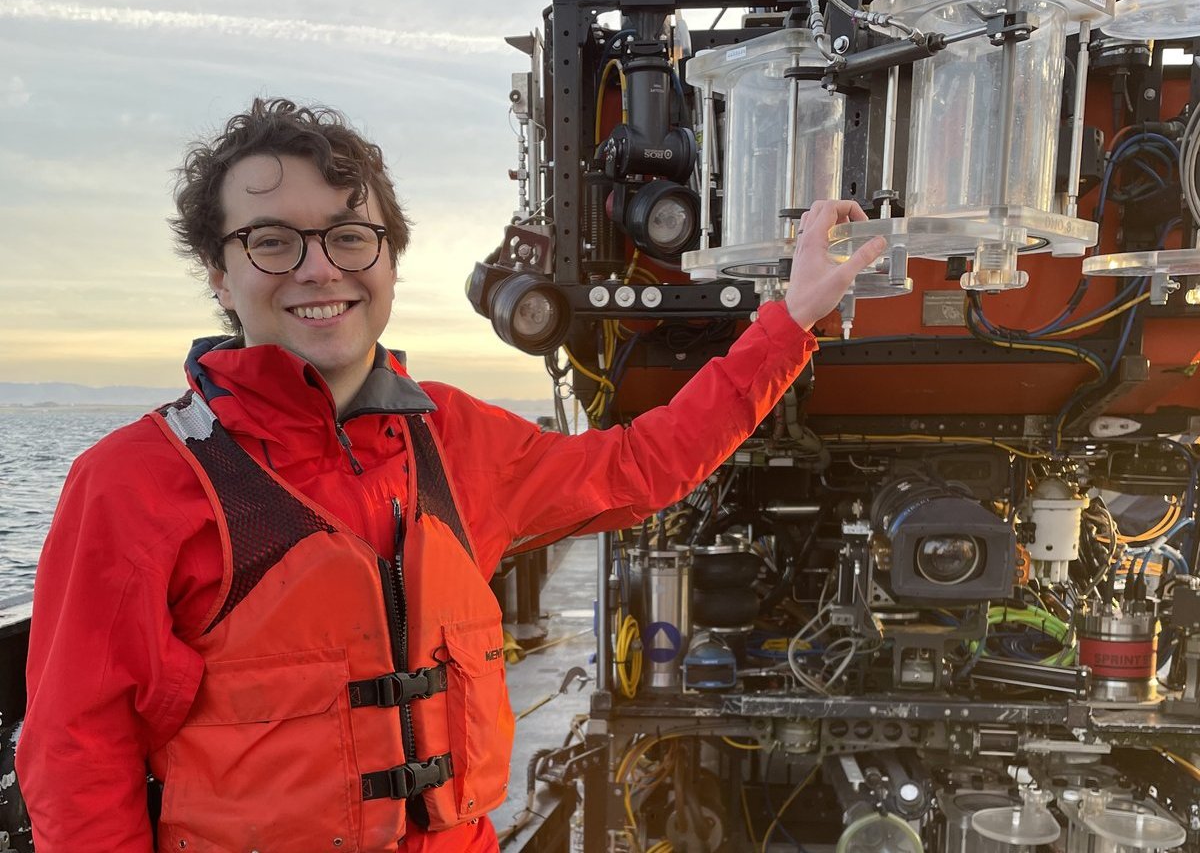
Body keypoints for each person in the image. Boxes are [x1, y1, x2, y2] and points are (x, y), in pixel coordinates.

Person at [16, 97, 886, 852]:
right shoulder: (131, 481)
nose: (320, 268)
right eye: (273, 241)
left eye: (350, 237)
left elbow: (640, 466)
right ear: (219, 272)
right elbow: (75, 754)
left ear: (389, 259)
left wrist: (793, 315)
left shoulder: (455, 438)